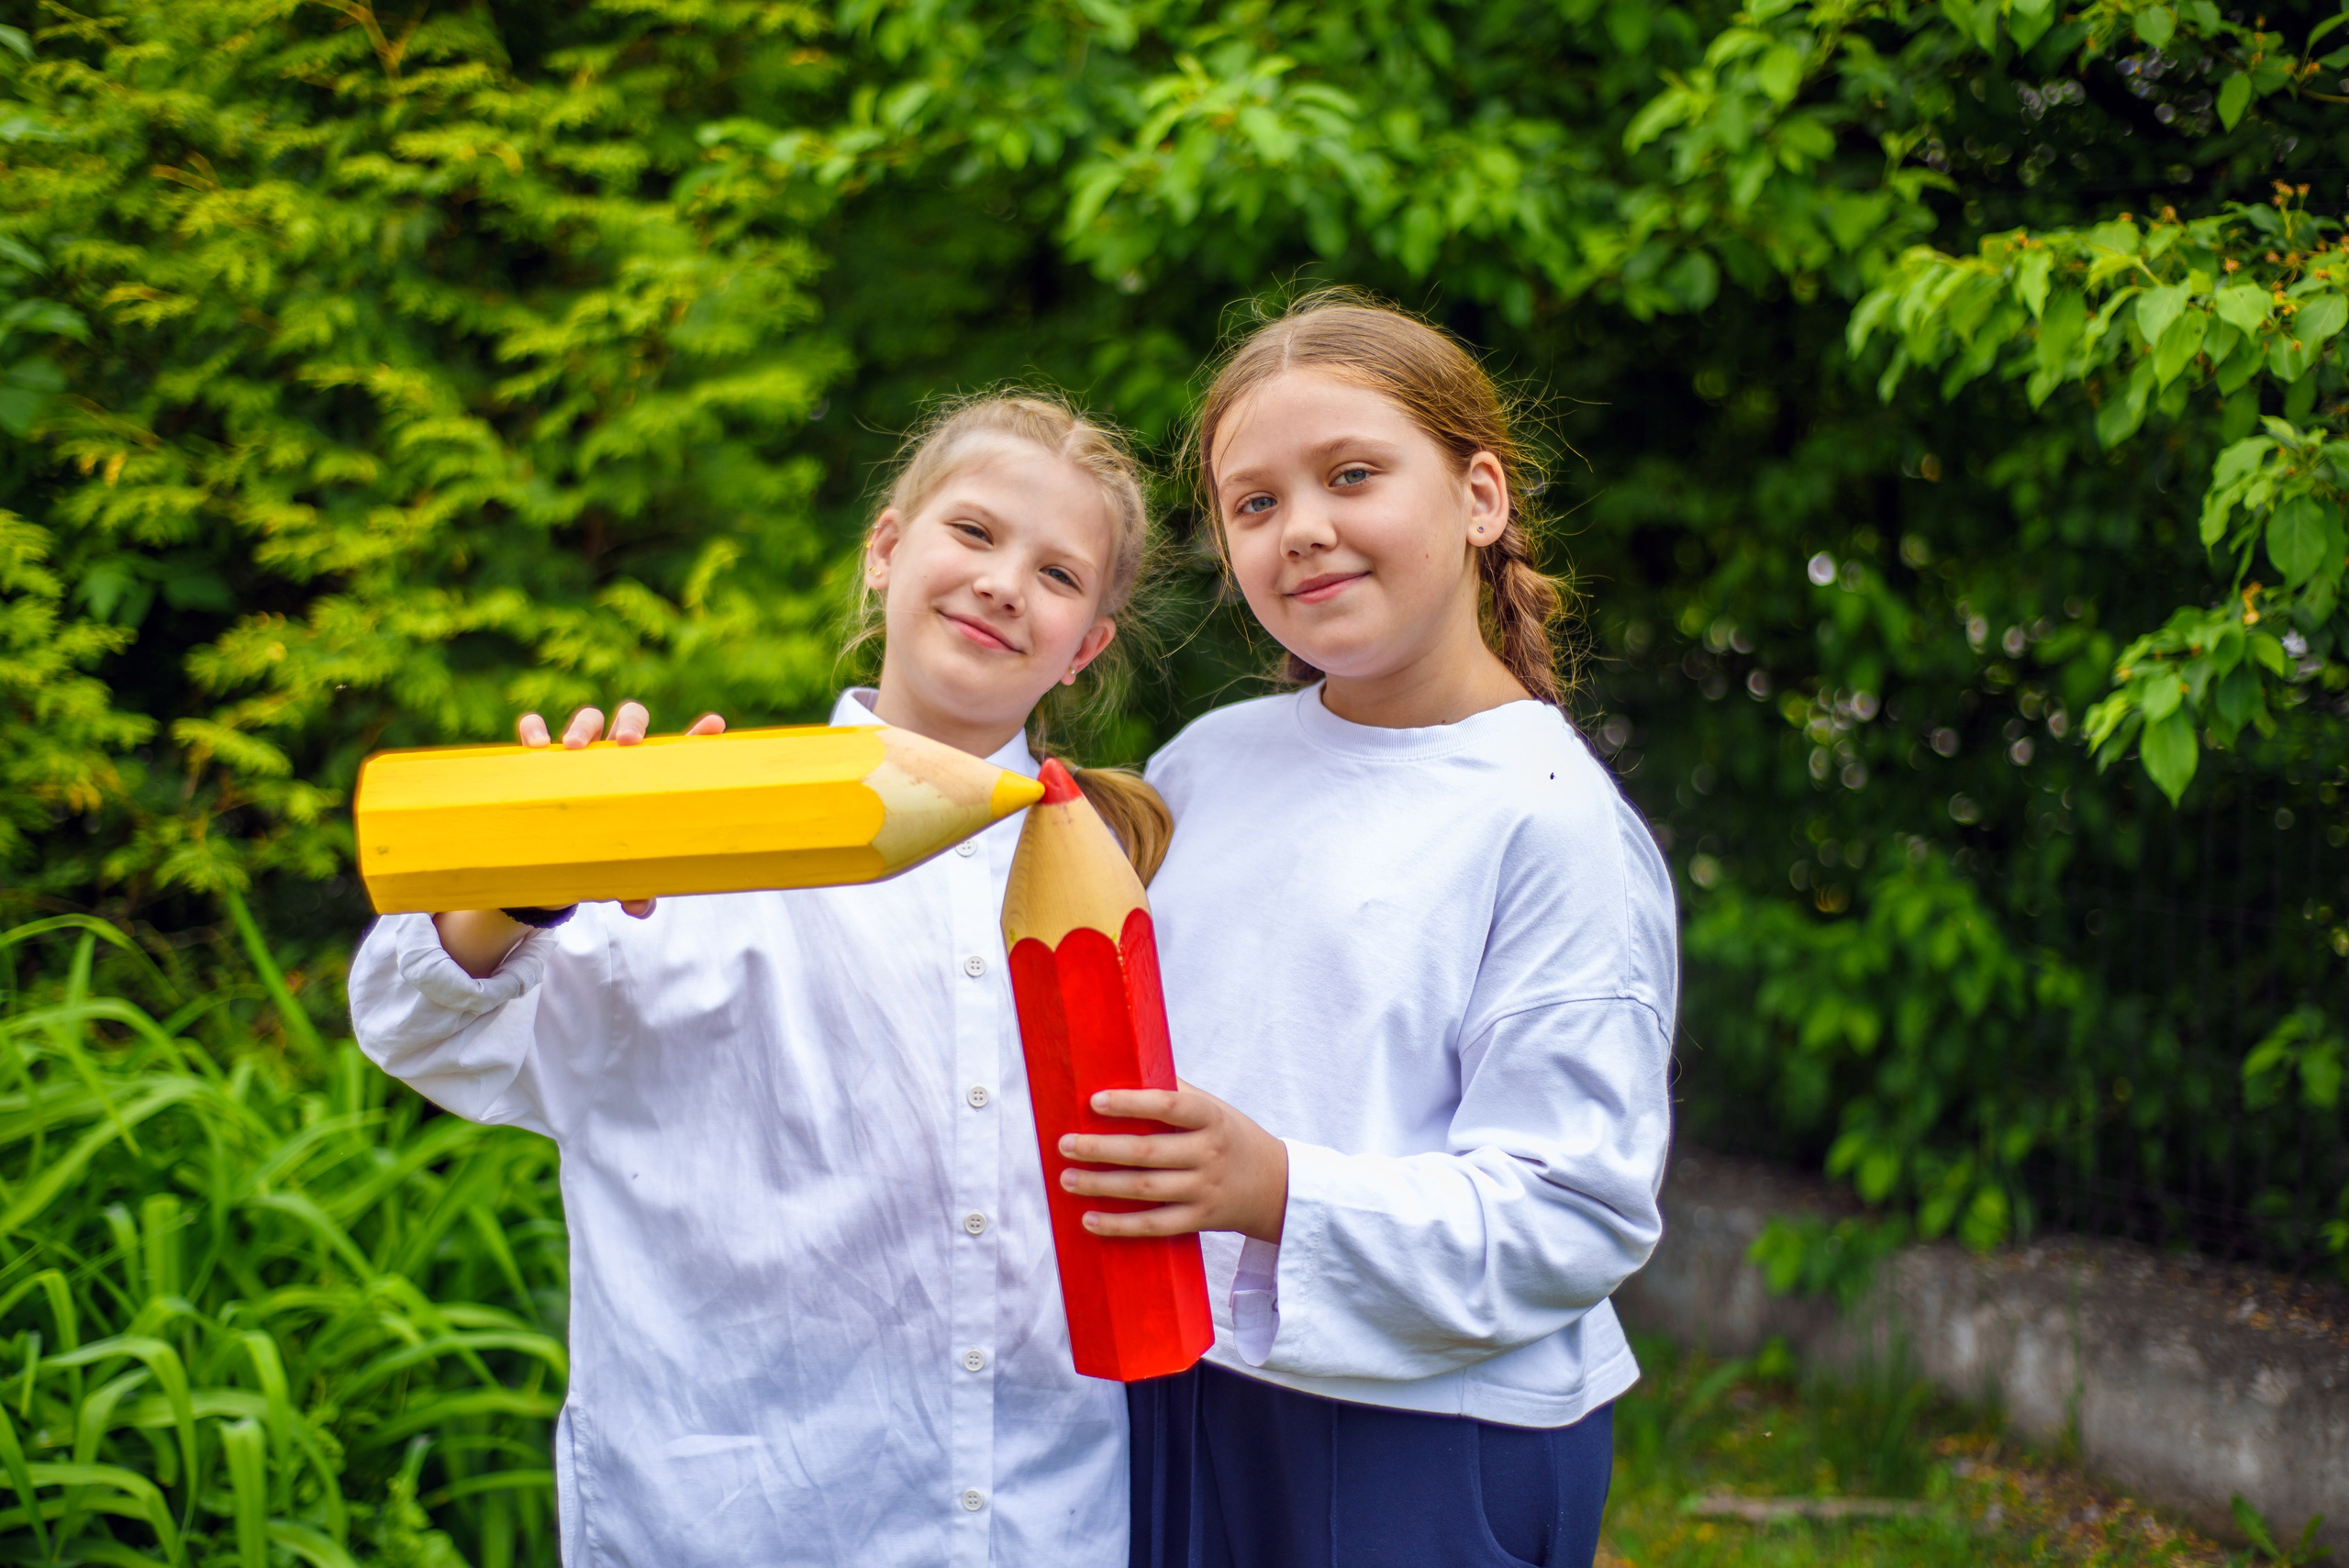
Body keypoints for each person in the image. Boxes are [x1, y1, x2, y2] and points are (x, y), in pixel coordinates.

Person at [348, 393, 1169, 1568]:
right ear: (886, 550)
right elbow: (415, 1021)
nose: (1002, 584)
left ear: (1087, 642)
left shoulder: (1122, 871)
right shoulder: (685, 822)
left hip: (1046, 1518)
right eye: (975, 534)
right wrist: (537, 868)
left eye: (1056, 572)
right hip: (732, 1522)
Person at [1058, 295, 1675, 1568]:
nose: (1306, 530)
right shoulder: (1207, 761)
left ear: (1481, 497)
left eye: (1352, 474)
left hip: (1428, 1435)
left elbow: (1577, 1210)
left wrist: (1280, 1190)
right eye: (1256, 502)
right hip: (1186, 1377)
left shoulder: (1550, 822)